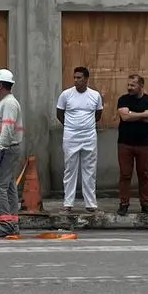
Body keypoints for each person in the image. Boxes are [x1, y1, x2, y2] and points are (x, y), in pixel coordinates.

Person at [55, 65, 104, 212]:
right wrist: (71, 126)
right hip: (71, 135)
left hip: (89, 135)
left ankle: (90, 203)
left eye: (79, 78)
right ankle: (68, 203)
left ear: (86, 79)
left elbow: (98, 114)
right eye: (74, 78)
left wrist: (86, 126)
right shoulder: (66, 95)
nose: (76, 80)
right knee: (70, 169)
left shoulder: (95, 95)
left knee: (89, 169)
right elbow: (59, 114)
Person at [0, 67, 24, 238]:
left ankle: (6, 224)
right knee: (9, 187)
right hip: (9, 149)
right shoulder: (8, 102)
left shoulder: (8, 103)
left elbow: (7, 129)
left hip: (6, 150)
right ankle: (12, 222)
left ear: (0, 85)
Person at [116, 73, 148, 217]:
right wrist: (142, 114)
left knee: (144, 174)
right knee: (125, 174)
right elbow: (124, 117)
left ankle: (145, 204)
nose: (129, 88)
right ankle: (123, 204)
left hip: (144, 144)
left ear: (141, 86)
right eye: (128, 85)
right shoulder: (122, 99)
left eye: (132, 85)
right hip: (125, 143)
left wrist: (132, 114)